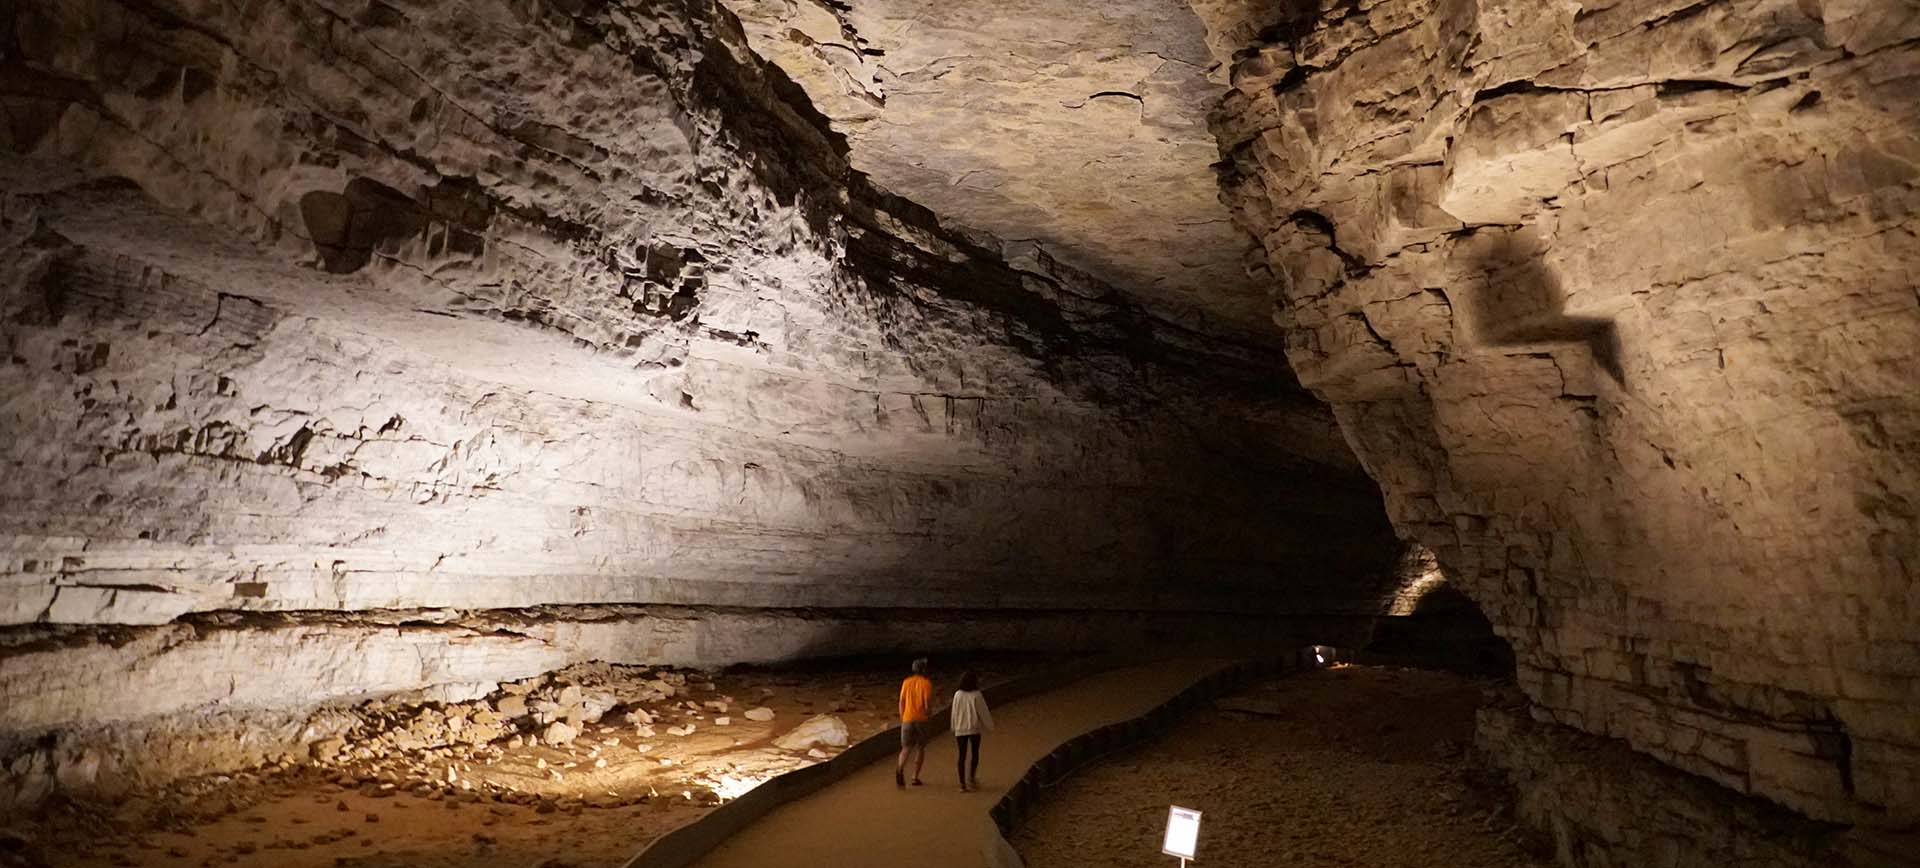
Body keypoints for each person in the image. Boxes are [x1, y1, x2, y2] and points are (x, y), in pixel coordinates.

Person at [950, 670, 993, 791]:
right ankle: (972, 778)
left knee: (961, 755)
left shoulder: (957, 694)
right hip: (974, 728)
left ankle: (962, 784)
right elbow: (983, 712)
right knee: (974, 754)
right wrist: (990, 726)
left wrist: (953, 726)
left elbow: (954, 712)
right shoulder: (977, 695)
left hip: (960, 729)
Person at [896, 657, 933, 788]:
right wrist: (929, 714)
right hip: (921, 719)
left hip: (907, 718)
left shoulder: (906, 682)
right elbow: (927, 704)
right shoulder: (926, 683)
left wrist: (903, 716)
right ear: (923, 669)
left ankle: (899, 769)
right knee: (920, 748)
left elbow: (901, 702)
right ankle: (915, 777)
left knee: (906, 748)